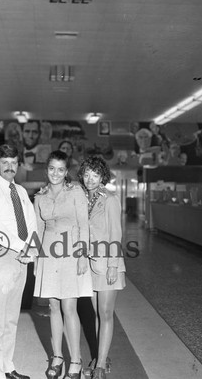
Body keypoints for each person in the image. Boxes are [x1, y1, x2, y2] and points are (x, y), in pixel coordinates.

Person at [0, 144, 37, 379]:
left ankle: (7, 366)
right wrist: (22, 246)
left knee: (12, 316)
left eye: (13, 162)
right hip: (1, 256)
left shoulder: (21, 192)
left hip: (22, 258)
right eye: (5, 163)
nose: (10, 167)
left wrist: (30, 248)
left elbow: (31, 222)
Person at [33, 150, 92, 379]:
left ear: (66, 172)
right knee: (53, 307)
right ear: (46, 170)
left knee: (69, 307)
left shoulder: (76, 191)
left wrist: (82, 255)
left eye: (60, 169)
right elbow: (38, 230)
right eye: (51, 169)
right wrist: (37, 259)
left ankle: (75, 361)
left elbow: (84, 225)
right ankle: (57, 356)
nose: (55, 173)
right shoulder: (40, 196)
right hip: (49, 253)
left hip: (71, 252)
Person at [78, 156, 126, 379]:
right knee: (97, 313)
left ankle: (101, 365)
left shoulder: (110, 199)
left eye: (95, 175)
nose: (90, 179)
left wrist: (113, 265)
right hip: (91, 264)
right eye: (87, 174)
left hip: (108, 263)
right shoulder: (83, 198)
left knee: (106, 313)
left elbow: (116, 233)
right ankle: (101, 356)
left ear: (102, 177)